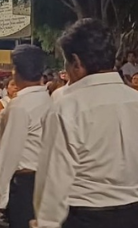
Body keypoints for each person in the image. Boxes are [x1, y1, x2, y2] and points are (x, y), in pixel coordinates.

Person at [33, 19, 138, 228]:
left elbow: (54, 177)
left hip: (83, 216)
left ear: (76, 62)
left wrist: (46, 222)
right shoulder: (134, 99)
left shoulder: (67, 107)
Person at [0, 45, 50, 228]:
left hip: (26, 184)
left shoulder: (20, 105)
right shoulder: (51, 100)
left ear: (15, 71)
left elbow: (10, 153)